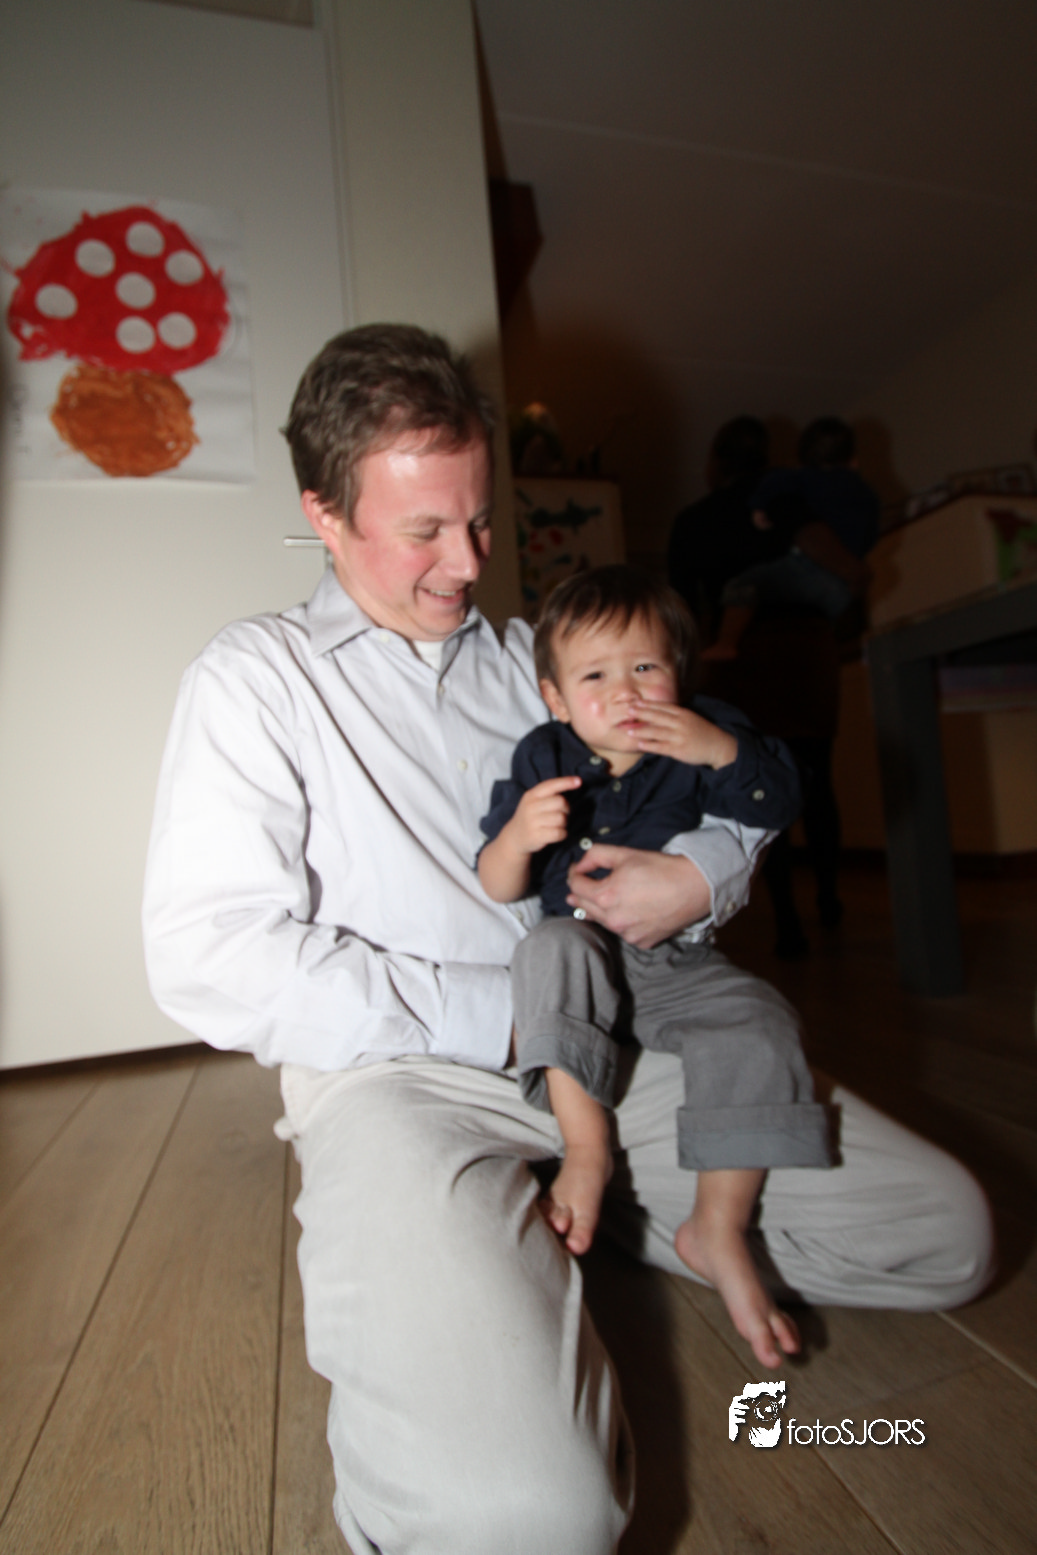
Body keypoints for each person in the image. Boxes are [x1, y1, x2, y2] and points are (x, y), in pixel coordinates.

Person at [144, 325, 994, 1555]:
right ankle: (504, 1236)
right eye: (423, 531)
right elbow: (208, 953)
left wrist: (695, 877)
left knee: (943, 1236)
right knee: (530, 1522)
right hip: (401, 1082)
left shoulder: (546, 665)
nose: (466, 563)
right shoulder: (255, 679)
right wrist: (503, 1012)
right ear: (323, 515)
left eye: (480, 520)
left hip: (616, 1034)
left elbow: (719, 791)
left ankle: (579, 1215)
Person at [477, 565, 831, 1368]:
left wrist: (721, 749)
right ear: (556, 697)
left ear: (679, 670)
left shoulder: (704, 731)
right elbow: (497, 882)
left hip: (675, 958)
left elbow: (779, 802)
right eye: (595, 676)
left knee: (758, 1017)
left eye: (644, 666)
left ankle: (716, 1224)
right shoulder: (543, 755)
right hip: (577, 953)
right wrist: (517, 836)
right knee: (547, 947)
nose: (626, 691)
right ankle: (585, 1148)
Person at [702, 417, 880, 662]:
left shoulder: (800, 478)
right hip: (841, 587)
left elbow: (775, 485)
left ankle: (726, 644)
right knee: (820, 631)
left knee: (743, 586)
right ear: (854, 461)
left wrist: (759, 508)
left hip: (805, 568)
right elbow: (872, 533)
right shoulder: (866, 493)